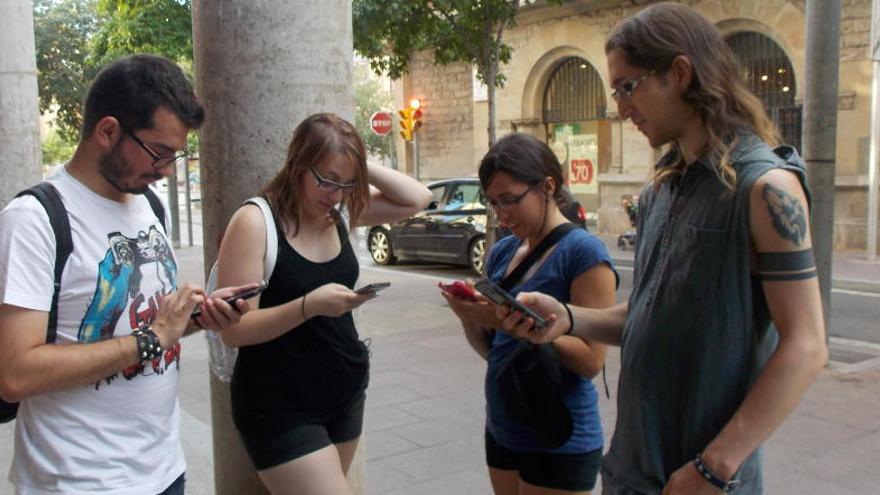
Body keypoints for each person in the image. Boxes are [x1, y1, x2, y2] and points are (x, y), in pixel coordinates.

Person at [496, 4, 827, 495]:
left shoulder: (765, 187)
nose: (622, 108)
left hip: (703, 478)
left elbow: (807, 345)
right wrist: (567, 317)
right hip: (632, 468)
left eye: (629, 86)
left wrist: (717, 463)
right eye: (615, 92)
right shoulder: (659, 191)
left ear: (680, 73)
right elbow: (650, 313)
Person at [0, 54, 251, 494]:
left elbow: (146, 328)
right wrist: (152, 337)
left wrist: (193, 319)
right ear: (108, 131)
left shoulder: (151, 207)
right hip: (76, 481)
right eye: (160, 152)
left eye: (177, 154)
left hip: (162, 469)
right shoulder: (34, 220)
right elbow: (15, 372)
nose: (168, 169)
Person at [213, 113, 432, 495]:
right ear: (298, 164)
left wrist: (358, 165)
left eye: (347, 183)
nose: (335, 194)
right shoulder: (255, 222)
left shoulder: (342, 212)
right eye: (327, 180)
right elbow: (235, 331)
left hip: (344, 391)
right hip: (279, 404)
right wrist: (307, 306)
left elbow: (419, 198)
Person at [441, 133, 618, 494]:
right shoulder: (503, 251)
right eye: (493, 203)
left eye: (509, 200)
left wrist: (523, 326)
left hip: (559, 435)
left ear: (547, 187)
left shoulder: (583, 252)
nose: (501, 215)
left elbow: (590, 362)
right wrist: (468, 315)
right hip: (504, 426)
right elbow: (494, 353)